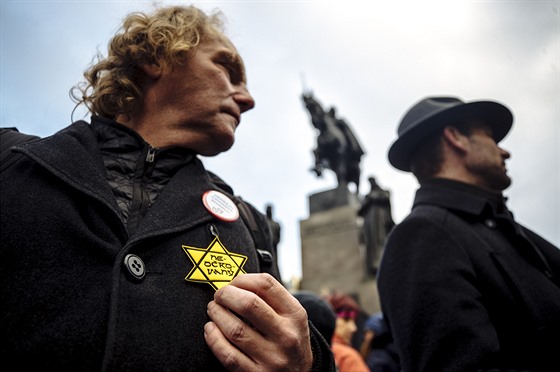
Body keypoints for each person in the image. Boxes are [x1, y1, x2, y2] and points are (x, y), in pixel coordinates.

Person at [0, 5, 335, 371]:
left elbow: (286, 341)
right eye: (228, 68)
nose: (248, 98)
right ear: (156, 56)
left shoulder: (252, 228)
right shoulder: (11, 162)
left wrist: (307, 363)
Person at [378, 96, 560, 371]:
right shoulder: (424, 235)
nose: (504, 152)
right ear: (455, 138)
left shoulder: (505, 229)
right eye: (490, 137)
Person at [325, 292, 370, 372]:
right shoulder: (347, 357)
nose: (354, 328)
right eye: (346, 320)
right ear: (330, 319)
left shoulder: (315, 354)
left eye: (354, 321)